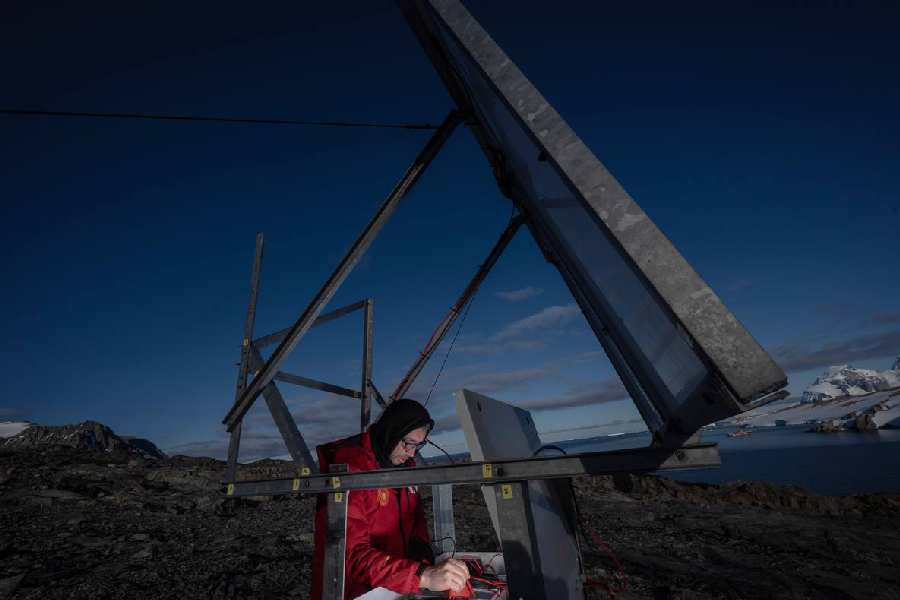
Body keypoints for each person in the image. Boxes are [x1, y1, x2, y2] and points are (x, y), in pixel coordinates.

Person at [310, 399, 470, 600]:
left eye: (418, 445)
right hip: (353, 592)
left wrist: (420, 549)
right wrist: (422, 576)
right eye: (408, 443)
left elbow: (415, 514)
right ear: (390, 432)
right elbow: (349, 558)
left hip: (393, 585)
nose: (412, 453)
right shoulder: (349, 471)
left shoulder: (404, 467)